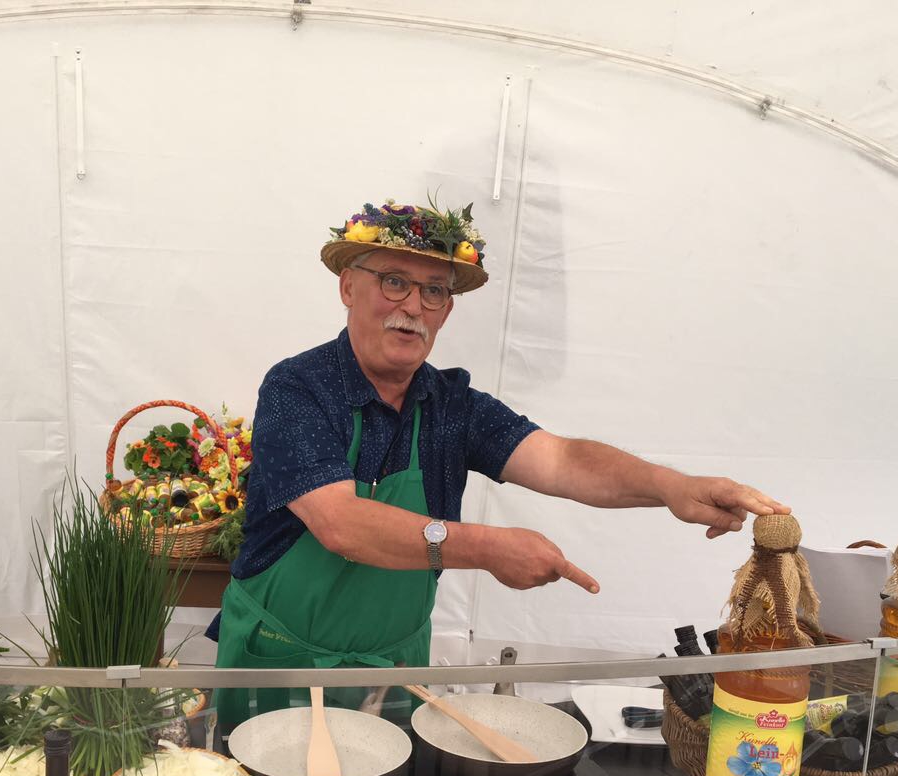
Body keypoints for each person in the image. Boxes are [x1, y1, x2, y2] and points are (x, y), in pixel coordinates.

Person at [210, 199, 788, 723]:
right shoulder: (298, 388)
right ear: (347, 287)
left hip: (390, 668)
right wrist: (487, 547)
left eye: (434, 291)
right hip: (283, 660)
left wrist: (670, 486)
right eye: (393, 282)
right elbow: (342, 524)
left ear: (445, 311)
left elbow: (561, 459)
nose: (412, 307)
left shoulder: (450, 405)